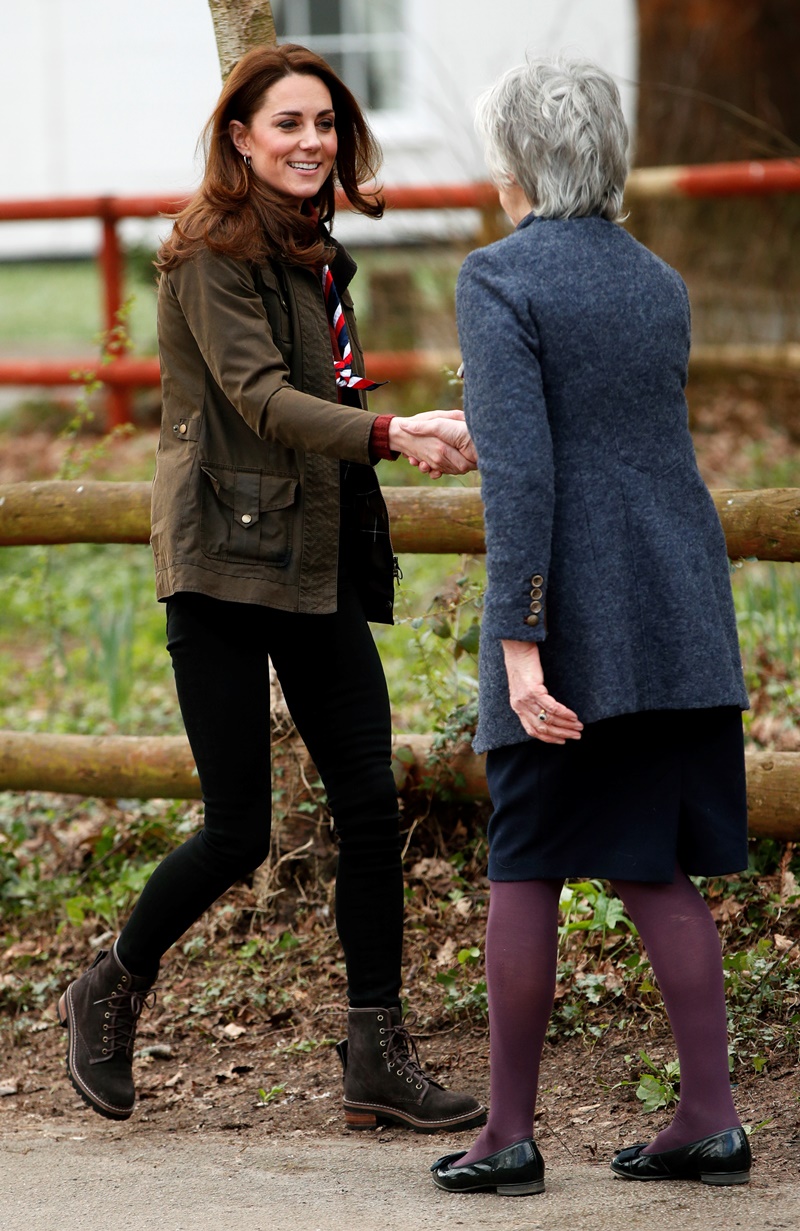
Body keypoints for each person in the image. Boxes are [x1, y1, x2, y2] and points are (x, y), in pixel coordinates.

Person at [58, 43, 486, 1136]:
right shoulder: (209, 254)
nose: (309, 142)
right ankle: (109, 982)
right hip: (217, 563)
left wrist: (387, 430)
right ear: (239, 138)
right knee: (239, 830)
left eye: (323, 124)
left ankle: (374, 1051)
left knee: (367, 805)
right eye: (286, 124)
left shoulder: (312, 248)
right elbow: (255, 397)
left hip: (309, 554)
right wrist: (394, 431)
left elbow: (317, 388)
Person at [430, 56, 752, 1196]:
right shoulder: (655, 278)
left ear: (515, 166)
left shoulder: (497, 275)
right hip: (674, 606)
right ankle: (708, 1120)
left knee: (524, 864)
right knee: (656, 867)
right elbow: (609, 429)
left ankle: (504, 1136)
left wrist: (519, 648)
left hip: (568, 617)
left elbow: (522, 478)